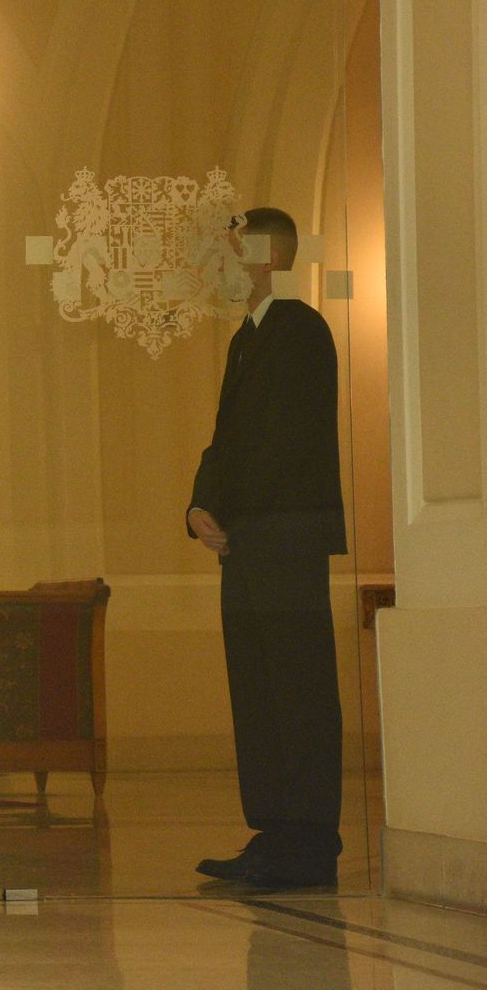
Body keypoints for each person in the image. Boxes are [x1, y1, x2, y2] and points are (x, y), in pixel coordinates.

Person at [188, 206, 345, 889]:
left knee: (296, 688)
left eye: (228, 252)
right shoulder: (246, 340)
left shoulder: (301, 330)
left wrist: (233, 511)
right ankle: (275, 833)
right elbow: (227, 441)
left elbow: (284, 442)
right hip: (251, 541)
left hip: (285, 537)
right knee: (258, 689)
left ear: (265, 256)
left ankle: (307, 841)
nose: (219, 265)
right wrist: (199, 505)